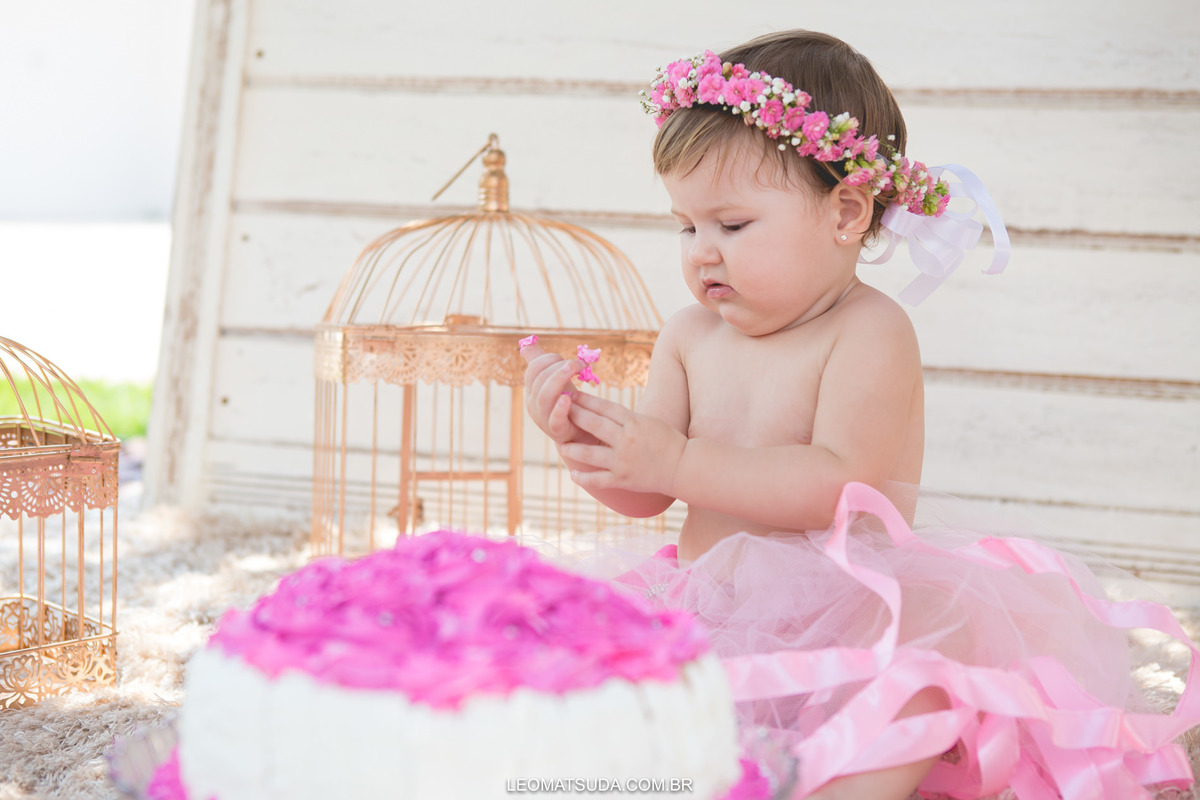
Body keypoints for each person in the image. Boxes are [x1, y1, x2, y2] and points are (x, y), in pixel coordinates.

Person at [521, 30, 1199, 800]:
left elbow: (839, 484)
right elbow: (648, 493)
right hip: (710, 609)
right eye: (686, 225)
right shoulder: (689, 335)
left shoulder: (868, 331)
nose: (702, 251)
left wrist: (674, 459)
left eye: (732, 225)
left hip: (846, 615)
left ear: (846, 211)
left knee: (926, 676)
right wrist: (591, 445)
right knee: (589, 682)